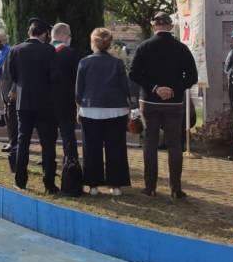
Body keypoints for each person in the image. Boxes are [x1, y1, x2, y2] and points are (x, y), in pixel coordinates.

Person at [129, 12, 198, 198]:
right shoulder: (181, 48)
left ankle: (150, 187)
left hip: (149, 102)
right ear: (170, 26)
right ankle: (176, 189)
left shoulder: (144, 47)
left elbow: (134, 74)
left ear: (153, 26)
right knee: (175, 145)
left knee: (150, 143)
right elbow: (192, 77)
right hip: (174, 104)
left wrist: (155, 88)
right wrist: (174, 89)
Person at [76, 28, 131, 196]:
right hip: (116, 110)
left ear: (93, 42)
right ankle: (116, 185)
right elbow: (125, 88)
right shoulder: (118, 63)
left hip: (91, 109)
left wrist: (79, 107)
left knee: (91, 148)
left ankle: (93, 185)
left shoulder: (84, 62)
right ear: (109, 44)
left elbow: (79, 91)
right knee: (116, 148)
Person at [7, 18, 59, 194]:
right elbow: (54, 77)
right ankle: (49, 184)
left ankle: (20, 181)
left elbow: (12, 75)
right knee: (48, 144)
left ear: (30, 32)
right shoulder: (49, 50)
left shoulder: (16, 50)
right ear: (44, 33)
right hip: (46, 103)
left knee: (23, 142)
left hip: (24, 103)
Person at [52, 23, 83, 161]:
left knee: (47, 132)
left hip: (45, 100)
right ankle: (70, 159)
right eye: (69, 34)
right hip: (66, 100)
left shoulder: (43, 50)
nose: (70, 38)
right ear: (63, 35)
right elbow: (78, 77)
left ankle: (48, 157)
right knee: (68, 133)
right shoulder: (70, 53)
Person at [0, 31, 16, 153]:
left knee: (12, 117)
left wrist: (13, 89)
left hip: (11, 89)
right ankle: (11, 140)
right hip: (3, 88)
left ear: (5, 40)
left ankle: (14, 143)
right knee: (7, 116)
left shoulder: (11, 52)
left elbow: (15, 73)